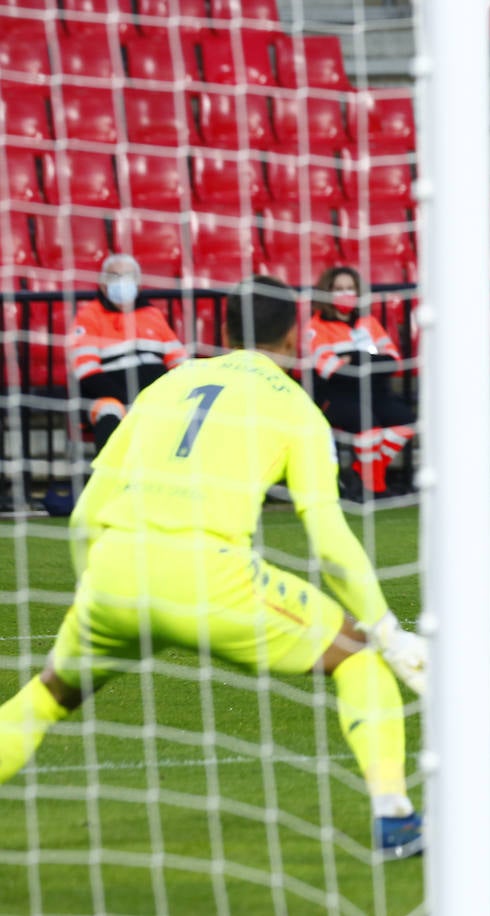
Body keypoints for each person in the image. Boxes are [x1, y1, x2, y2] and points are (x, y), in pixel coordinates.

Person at [0, 275, 429, 860]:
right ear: (297, 333)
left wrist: (95, 591)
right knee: (358, 657)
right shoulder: (295, 409)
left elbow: (85, 516)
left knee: (46, 696)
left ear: (220, 331)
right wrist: (386, 627)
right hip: (209, 577)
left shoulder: (168, 384)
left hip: (114, 574)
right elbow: (328, 537)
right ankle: (395, 820)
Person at [305, 266, 416, 499]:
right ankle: (375, 487)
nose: (345, 293)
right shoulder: (316, 327)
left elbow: (393, 362)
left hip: (373, 392)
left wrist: (353, 358)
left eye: (349, 288)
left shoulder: (369, 323)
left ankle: (361, 471)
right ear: (326, 292)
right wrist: (371, 362)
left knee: (405, 420)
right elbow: (328, 370)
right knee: (368, 424)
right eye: (338, 289)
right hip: (335, 396)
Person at [68, 253, 188, 452]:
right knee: (109, 412)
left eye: (128, 276)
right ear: (102, 283)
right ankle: (111, 479)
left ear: (139, 283)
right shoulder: (88, 316)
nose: (122, 282)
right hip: (111, 397)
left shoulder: (154, 315)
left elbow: (180, 363)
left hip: (154, 397)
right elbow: (86, 372)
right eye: (114, 276)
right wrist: (131, 400)